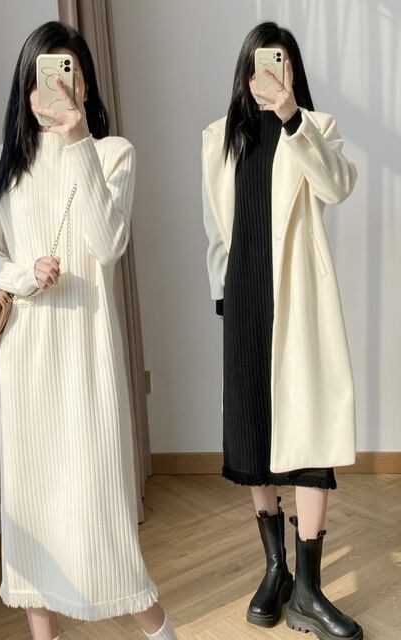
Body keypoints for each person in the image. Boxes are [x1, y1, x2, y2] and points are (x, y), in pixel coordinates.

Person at [0, 21, 177, 640]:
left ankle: (161, 630)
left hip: (88, 352)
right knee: (31, 507)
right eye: (46, 75)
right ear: (26, 85)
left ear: (85, 84)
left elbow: (108, 245)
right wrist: (23, 274)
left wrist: (79, 139)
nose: (58, 87)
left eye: (70, 74)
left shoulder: (113, 154)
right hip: (26, 356)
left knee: (99, 510)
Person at [201, 21, 363, 640]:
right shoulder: (218, 137)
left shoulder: (315, 128)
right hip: (244, 301)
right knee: (254, 435)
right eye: (260, 63)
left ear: (293, 70)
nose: (269, 71)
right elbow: (216, 229)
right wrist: (222, 299)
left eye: (281, 61)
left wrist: (292, 117)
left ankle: (309, 592)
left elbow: (337, 186)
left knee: (310, 438)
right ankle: (276, 569)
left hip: (299, 301)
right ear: (245, 73)